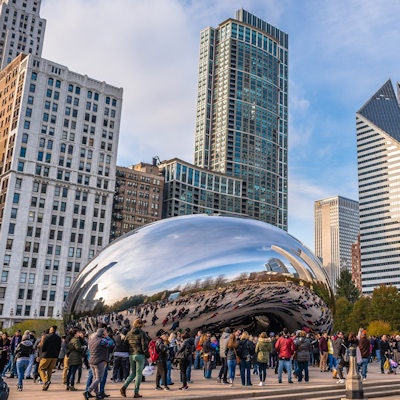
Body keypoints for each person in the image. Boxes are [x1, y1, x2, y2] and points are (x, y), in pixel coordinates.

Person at [120, 318, 149, 399]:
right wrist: (147, 355)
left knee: (133, 373)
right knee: (139, 374)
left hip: (131, 355)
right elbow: (144, 345)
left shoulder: (129, 333)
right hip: (139, 355)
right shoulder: (142, 333)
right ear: (140, 324)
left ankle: (124, 387)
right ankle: (136, 393)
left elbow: (125, 344)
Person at [84, 328, 113, 400]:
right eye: (105, 332)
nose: (106, 333)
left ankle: (97, 394)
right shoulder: (102, 340)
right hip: (99, 361)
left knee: (95, 378)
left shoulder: (91, 340)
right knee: (99, 378)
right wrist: (107, 336)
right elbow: (111, 343)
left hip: (92, 361)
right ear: (102, 333)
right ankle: (88, 391)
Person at [38, 325, 62, 391]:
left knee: (41, 368)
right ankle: (45, 385)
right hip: (54, 356)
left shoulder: (46, 336)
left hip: (46, 355)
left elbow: (43, 347)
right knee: (49, 370)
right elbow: (59, 347)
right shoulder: (58, 338)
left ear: (51, 330)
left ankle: (45, 381)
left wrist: (42, 354)